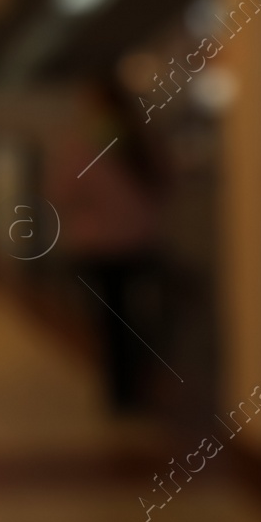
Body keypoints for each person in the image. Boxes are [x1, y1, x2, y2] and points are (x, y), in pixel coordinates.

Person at [47, 78, 166, 414]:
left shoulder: (82, 145)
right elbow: (166, 183)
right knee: (136, 318)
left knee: (109, 321)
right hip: (140, 244)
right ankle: (136, 386)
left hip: (97, 248)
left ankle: (119, 392)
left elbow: (61, 191)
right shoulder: (143, 140)